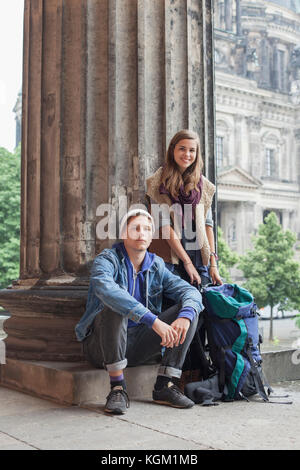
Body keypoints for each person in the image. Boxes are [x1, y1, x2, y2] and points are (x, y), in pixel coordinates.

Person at [75, 209, 204, 415]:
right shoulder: (107, 260)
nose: (141, 233)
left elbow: (190, 291)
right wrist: (153, 320)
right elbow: (105, 288)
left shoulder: (157, 266)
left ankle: (165, 384)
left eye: (147, 229)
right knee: (115, 305)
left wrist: (185, 317)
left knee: (188, 310)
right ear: (124, 233)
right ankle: (117, 387)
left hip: (140, 346)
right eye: (135, 228)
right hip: (101, 347)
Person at [146, 129, 222, 287]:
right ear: (172, 149)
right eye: (182, 148)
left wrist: (213, 264)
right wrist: (187, 263)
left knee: (202, 305)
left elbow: (208, 226)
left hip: (198, 255)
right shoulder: (156, 183)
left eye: (192, 150)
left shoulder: (204, 185)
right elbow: (164, 227)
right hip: (169, 257)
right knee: (176, 304)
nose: (187, 154)